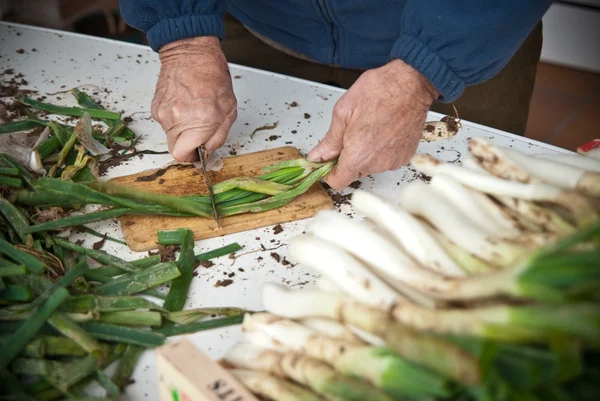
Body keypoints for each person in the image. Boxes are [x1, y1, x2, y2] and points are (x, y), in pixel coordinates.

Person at [119, 1, 552, 190]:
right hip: (257, 24)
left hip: (466, 36)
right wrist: (184, 37)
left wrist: (423, 70)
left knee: (480, 203)